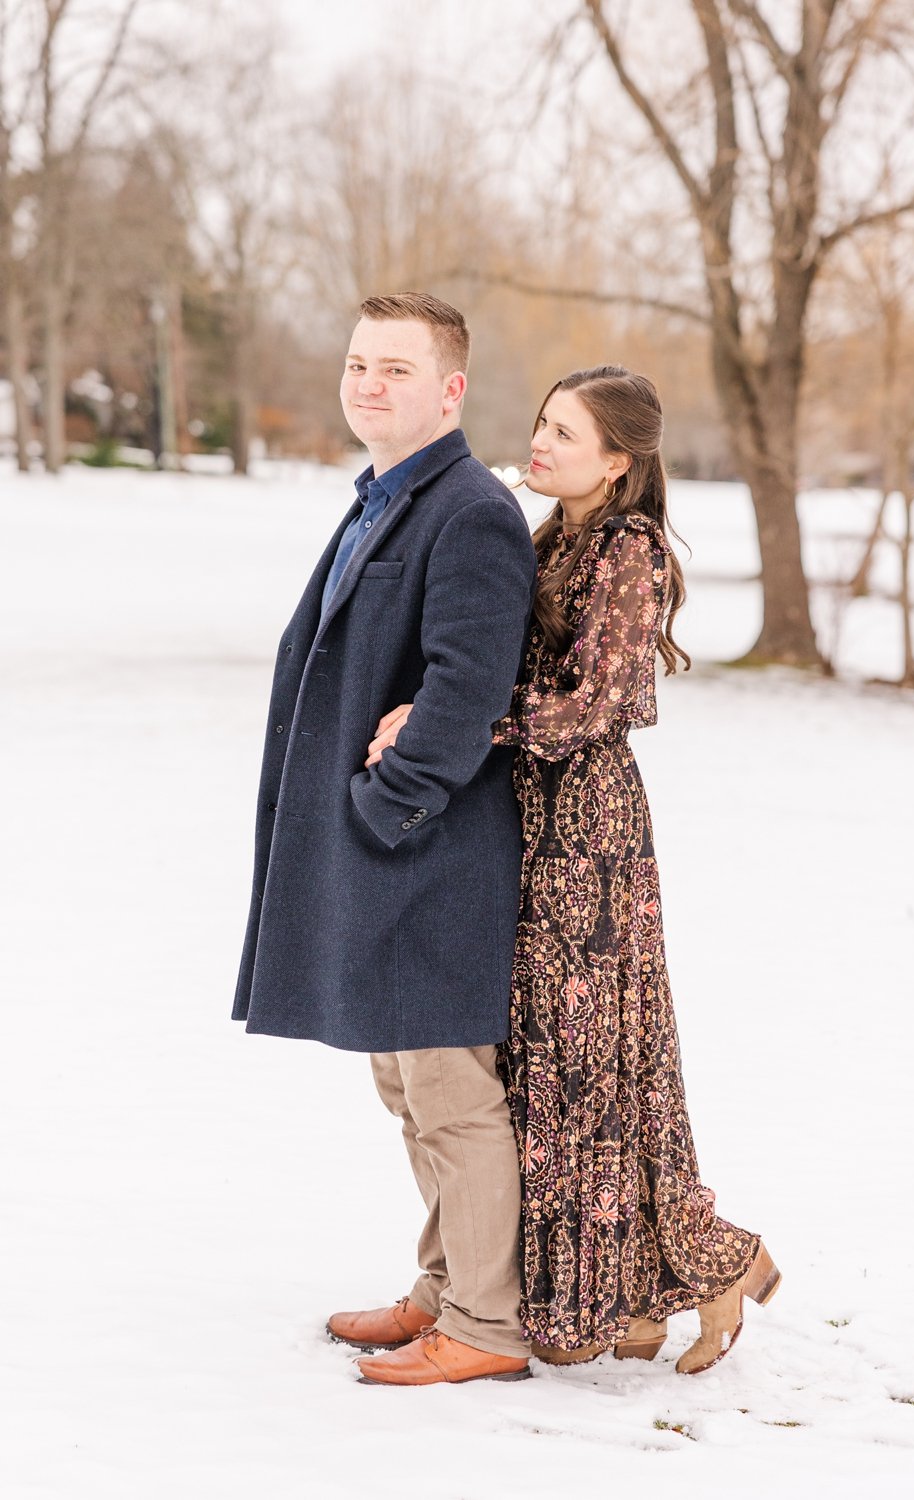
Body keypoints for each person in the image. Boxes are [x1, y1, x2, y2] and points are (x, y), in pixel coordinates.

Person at [232, 292, 537, 1387]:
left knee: (452, 1091)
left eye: (397, 369)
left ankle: (488, 1327)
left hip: (434, 854)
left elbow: (467, 686)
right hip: (388, 854)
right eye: (360, 363)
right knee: (407, 1086)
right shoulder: (384, 498)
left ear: (450, 389)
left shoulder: (471, 512)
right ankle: (443, 1288)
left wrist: (387, 807)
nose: (369, 383)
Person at [491, 366, 780, 1373]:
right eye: (539, 422)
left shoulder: (625, 547)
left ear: (618, 460)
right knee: (570, 1066)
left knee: (598, 1063)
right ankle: (630, 1298)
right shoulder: (555, 536)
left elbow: (606, 702)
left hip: (590, 831)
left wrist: (476, 727)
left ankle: (717, 1264)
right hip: (537, 819)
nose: (539, 442)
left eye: (562, 433)